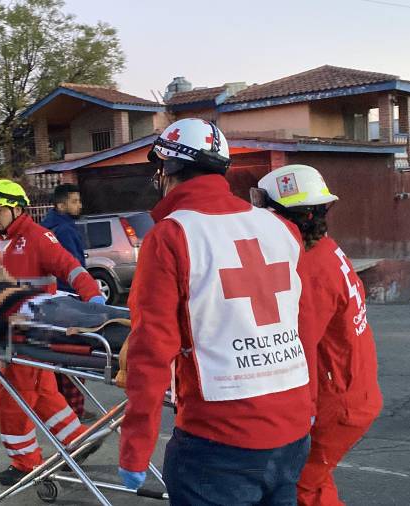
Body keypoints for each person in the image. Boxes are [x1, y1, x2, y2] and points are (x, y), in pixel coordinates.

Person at [118, 118, 313, 505]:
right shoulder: (279, 228)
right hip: (292, 434)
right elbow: (303, 327)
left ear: (166, 170)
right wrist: (308, 409)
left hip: (219, 445)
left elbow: (151, 349)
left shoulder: (172, 236)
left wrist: (135, 447)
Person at [254, 165, 383, 506]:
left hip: (335, 402)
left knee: (297, 486)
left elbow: (300, 347)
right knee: (314, 483)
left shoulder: (307, 268)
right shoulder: (325, 250)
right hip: (353, 391)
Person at [0, 179, 107, 486]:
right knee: (45, 393)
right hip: (9, 331)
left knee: (14, 398)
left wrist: (95, 301)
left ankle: (25, 462)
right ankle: (78, 439)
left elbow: (70, 268)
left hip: (31, 333)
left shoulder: (38, 237)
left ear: (17, 208)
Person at [41, 183, 93, 421]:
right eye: (74, 201)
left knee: (56, 360)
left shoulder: (44, 228)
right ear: (61, 205)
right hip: (70, 300)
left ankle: (62, 410)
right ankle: (75, 411)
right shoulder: (64, 230)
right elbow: (74, 267)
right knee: (75, 357)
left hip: (51, 300)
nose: (79, 205)